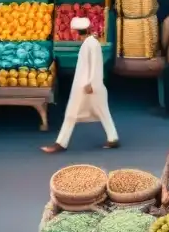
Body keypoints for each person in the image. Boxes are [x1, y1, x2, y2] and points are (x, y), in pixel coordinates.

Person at [41, 17, 119, 153]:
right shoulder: (90, 43)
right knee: (102, 112)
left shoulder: (91, 44)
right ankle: (113, 138)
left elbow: (95, 66)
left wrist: (91, 84)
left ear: (77, 32)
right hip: (90, 86)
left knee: (72, 114)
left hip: (87, 87)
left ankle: (61, 144)